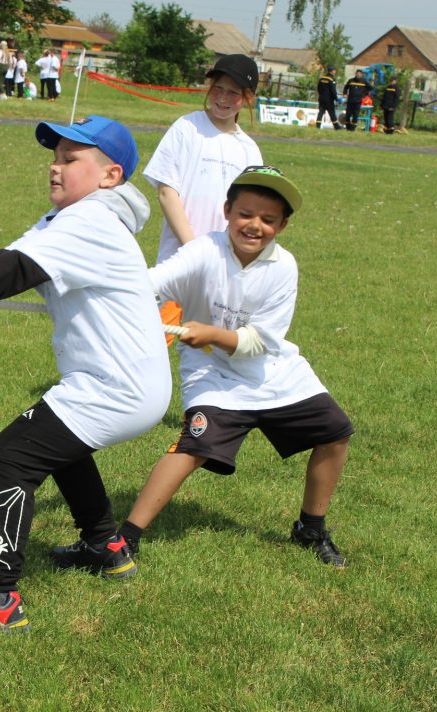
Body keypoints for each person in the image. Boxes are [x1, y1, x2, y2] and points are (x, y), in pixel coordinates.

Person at [0, 116, 172, 634]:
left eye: (72, 158)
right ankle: (106, 547)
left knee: (11, 455)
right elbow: (4, 258)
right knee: (57, 445)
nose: (55, 165)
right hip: (119, 383)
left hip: (117, 387)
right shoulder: (68, 218)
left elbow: (14, 272)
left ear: (110, 175)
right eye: (55, 155)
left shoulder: (91, 221)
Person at [117, 165, 354, 568]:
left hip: (275, 372)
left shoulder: (284, 267)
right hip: (214, 374)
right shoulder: (203, 250)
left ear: (283, 225)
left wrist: (210, 332)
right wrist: (119, 300)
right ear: (227, 210)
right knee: (193, 447)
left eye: (268, 219)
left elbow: (260, 341)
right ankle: (124, 540)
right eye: (245, 213)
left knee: (335, 432)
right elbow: (152, 282)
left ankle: (310, 529)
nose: (254, 225)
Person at [142, 53, 263, 344]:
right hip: (179, 258)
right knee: (152, 340)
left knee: (212, 347)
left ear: (247, 98)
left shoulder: (248, 149)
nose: (222, 98)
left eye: (233, 93)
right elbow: (166, 191)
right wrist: (193, 248)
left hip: (223, 267)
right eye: (218, 88)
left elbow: (251, 210)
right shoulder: (187, 128)